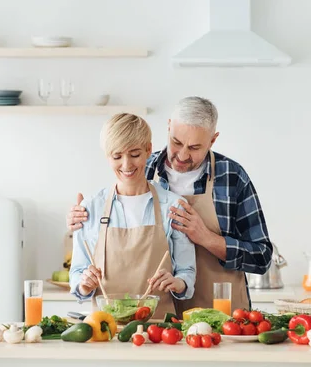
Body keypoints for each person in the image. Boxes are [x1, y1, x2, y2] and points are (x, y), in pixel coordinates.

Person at [68, 97, 272, 316]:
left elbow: (261, 257)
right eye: (176, 142)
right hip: (162, 318)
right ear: (168, 127)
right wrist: (79, 220)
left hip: (221, 313)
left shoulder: (232, 177)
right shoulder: (139, 168)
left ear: (213, 140)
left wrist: (206, 238)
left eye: (194, 147)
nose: (183, 155)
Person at [69, 113, 196, 318]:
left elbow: (186, 273)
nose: (127, 165)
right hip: (105, 330)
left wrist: (178, 283)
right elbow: (77, 273)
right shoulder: (90, 208)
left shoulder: (173, 206)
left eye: (135, 154)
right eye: (117, 156)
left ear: (148, 149)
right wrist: (84, 284)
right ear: (107, 156)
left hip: (159, 331)